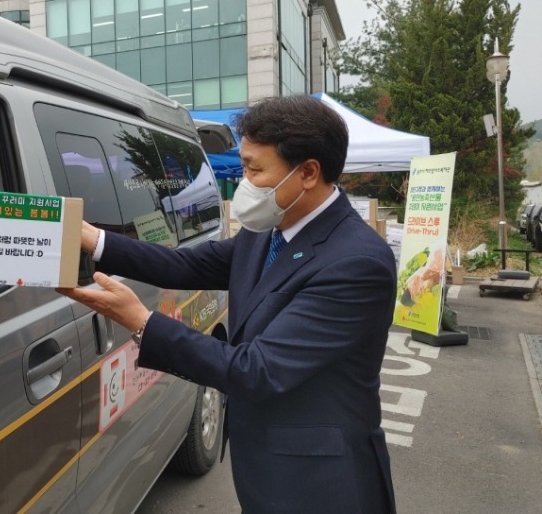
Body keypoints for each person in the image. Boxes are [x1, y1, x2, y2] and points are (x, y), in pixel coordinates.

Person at [59, 95, 397, 513]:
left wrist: (141, 321)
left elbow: (256, 370)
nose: (244, 182)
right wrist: (93, 239)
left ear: (308, 172)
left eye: (255, 169)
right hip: (264, 469)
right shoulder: (267, 230)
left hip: (322, 484)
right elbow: (181, 266)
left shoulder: (356, 263)